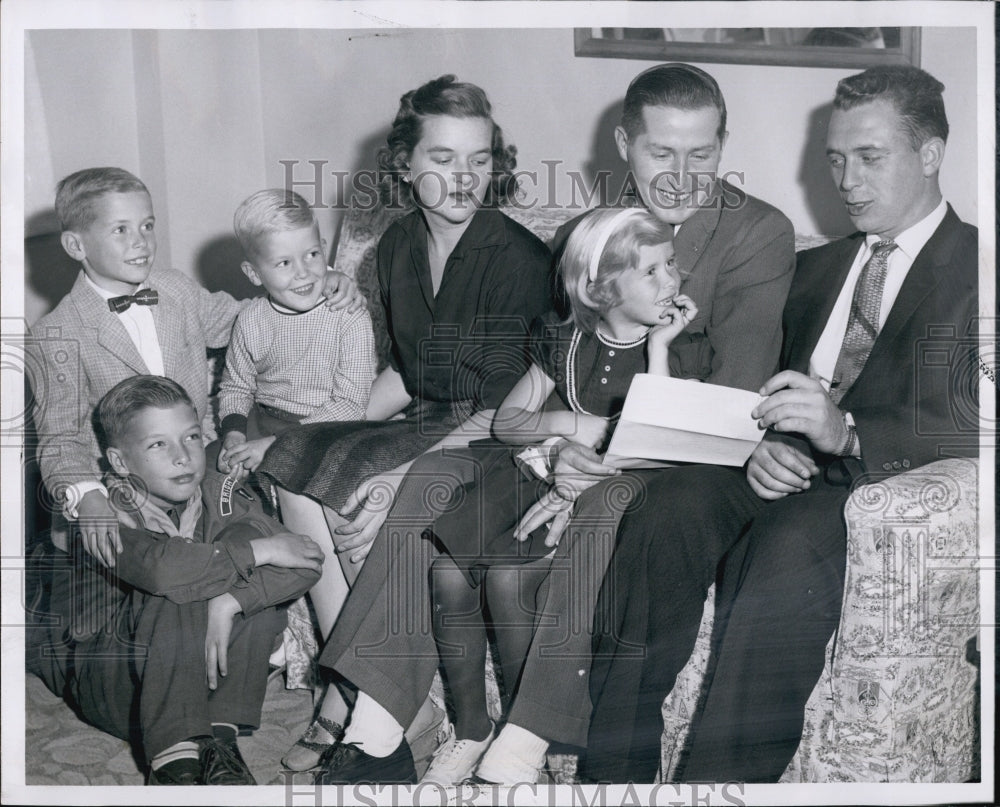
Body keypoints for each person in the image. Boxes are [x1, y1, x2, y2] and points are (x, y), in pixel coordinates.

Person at [308, 61, 795, 787]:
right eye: (661, 152)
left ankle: (528, 734)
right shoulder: (585, 235)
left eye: (703, 153)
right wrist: (556, 439)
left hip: (671, 463)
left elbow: (729, 404)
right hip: (564, 441)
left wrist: (592, 447)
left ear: (725, 144)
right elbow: (551, 370)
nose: (683, 174)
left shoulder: (757, 233)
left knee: (583, 509)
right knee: (439, 472)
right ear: (625, 145)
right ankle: (377, 718)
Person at [584, 64, 978, 783]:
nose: (846, 180)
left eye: (869, 157)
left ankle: (718, 788)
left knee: (782, 554)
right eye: (835, 158)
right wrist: (756, 439)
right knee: (662, 512)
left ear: (929, 155)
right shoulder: (818, 265)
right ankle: (612, 775)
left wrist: (850, 433)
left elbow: (976, 415)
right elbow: (751, 376)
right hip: (767, 468)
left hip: (857, 491)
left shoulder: (980, 267)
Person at [258, 75, 553, 771]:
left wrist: (390, 471)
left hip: (496, 434)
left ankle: (370, 702)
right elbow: (399, 375)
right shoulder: (395, 246)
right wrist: (324, 432)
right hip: (428, 413)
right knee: (295, 467)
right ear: (405, 164)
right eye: (444, 159)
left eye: (479, 159)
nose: (464, 177)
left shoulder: (519, 261)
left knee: (380, 496)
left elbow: (506, 408)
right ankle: (351, 678)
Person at [420, 207, 702, 785]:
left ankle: (531, 740)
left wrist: (660, 351)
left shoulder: (681, 349)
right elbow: (509, 421)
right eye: (651, 272)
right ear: (599, 290)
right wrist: (574, 427)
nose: (671, 281)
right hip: (547, 475)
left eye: (671, 264)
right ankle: (472, 731)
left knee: (506, 577)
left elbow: (672, 441)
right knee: (447, 573)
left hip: (617, 498)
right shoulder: (567, 340)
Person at [27, 168, 360, 568]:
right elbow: (60, 439)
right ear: (75, 244)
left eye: (147, 225)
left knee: (275, 558)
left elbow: (251, 321)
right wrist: (87, 495)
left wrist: (318, 283)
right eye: (120, 230)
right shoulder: (55, 333)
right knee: (169, 574)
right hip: (119, 489)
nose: (141, 242)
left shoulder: (175, 289)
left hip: (198, 464)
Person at [27, 376, 324, 785]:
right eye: (158, 444)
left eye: (191, 437)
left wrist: (231, 603)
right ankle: (173, 764)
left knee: (246, 589)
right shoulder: (106, 513)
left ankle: (220, 740)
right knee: (180, 583)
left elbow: (307, 562)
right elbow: (162, 570)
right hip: (115, 679)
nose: (183, 457)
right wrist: (261, 552)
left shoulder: (219, 492)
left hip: (197, 678)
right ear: (119, 463)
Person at [216, 188, 376, 648]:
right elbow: (236, 388)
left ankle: (357, 648)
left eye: (312, 253)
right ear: (254, 272)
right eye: (284, 263)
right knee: (219, 486)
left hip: (336, 429)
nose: (305, 271)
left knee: (321, 497)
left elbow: (350, 403)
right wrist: (232, 435)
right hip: (267, 425)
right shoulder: (251, 321)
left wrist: (274, 447)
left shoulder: (347, 314)